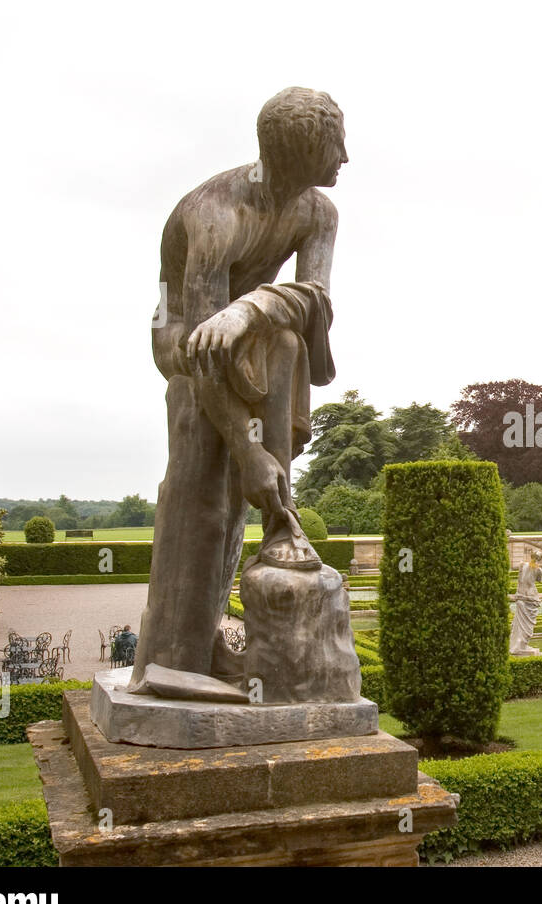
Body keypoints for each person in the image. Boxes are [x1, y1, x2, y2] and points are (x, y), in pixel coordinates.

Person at [129, 88, 346, 692]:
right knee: (204, 484)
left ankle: (202, 641)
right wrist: (249, 450)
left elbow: (317, 301)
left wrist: (252, 306)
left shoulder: (318, 212)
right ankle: (168, 660)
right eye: (336, 143)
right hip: (181, 337)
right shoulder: (215, 212)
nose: (346, 157)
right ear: (305, 148)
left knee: (286, 345)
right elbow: (201, 347)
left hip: (250, 334)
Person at [508, 550, 542, 656]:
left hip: (521, 596)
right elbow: (539, 580)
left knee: (519, 623)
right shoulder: (539, 570)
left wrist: (517, 595)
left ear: (531, 556)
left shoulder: (522, 565)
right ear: (540, 559)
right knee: (527, 624)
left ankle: (520, 645)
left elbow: (519, 581)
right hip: (531, 596)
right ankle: (521, 645)